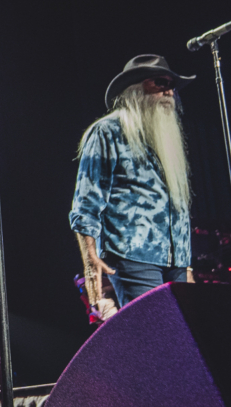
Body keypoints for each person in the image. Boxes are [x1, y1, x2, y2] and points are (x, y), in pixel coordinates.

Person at [70, 55, 195, 317]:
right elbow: (86, 202)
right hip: (132, 255)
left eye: (172, 85)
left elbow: (177, 207)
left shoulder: (165, 139)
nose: (169, 91)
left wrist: (186, 265)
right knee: (155, 333)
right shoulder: (107, 131)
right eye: (160, 83)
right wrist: (90, 261)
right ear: (136, 89)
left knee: (183, 340)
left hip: (175, 261)